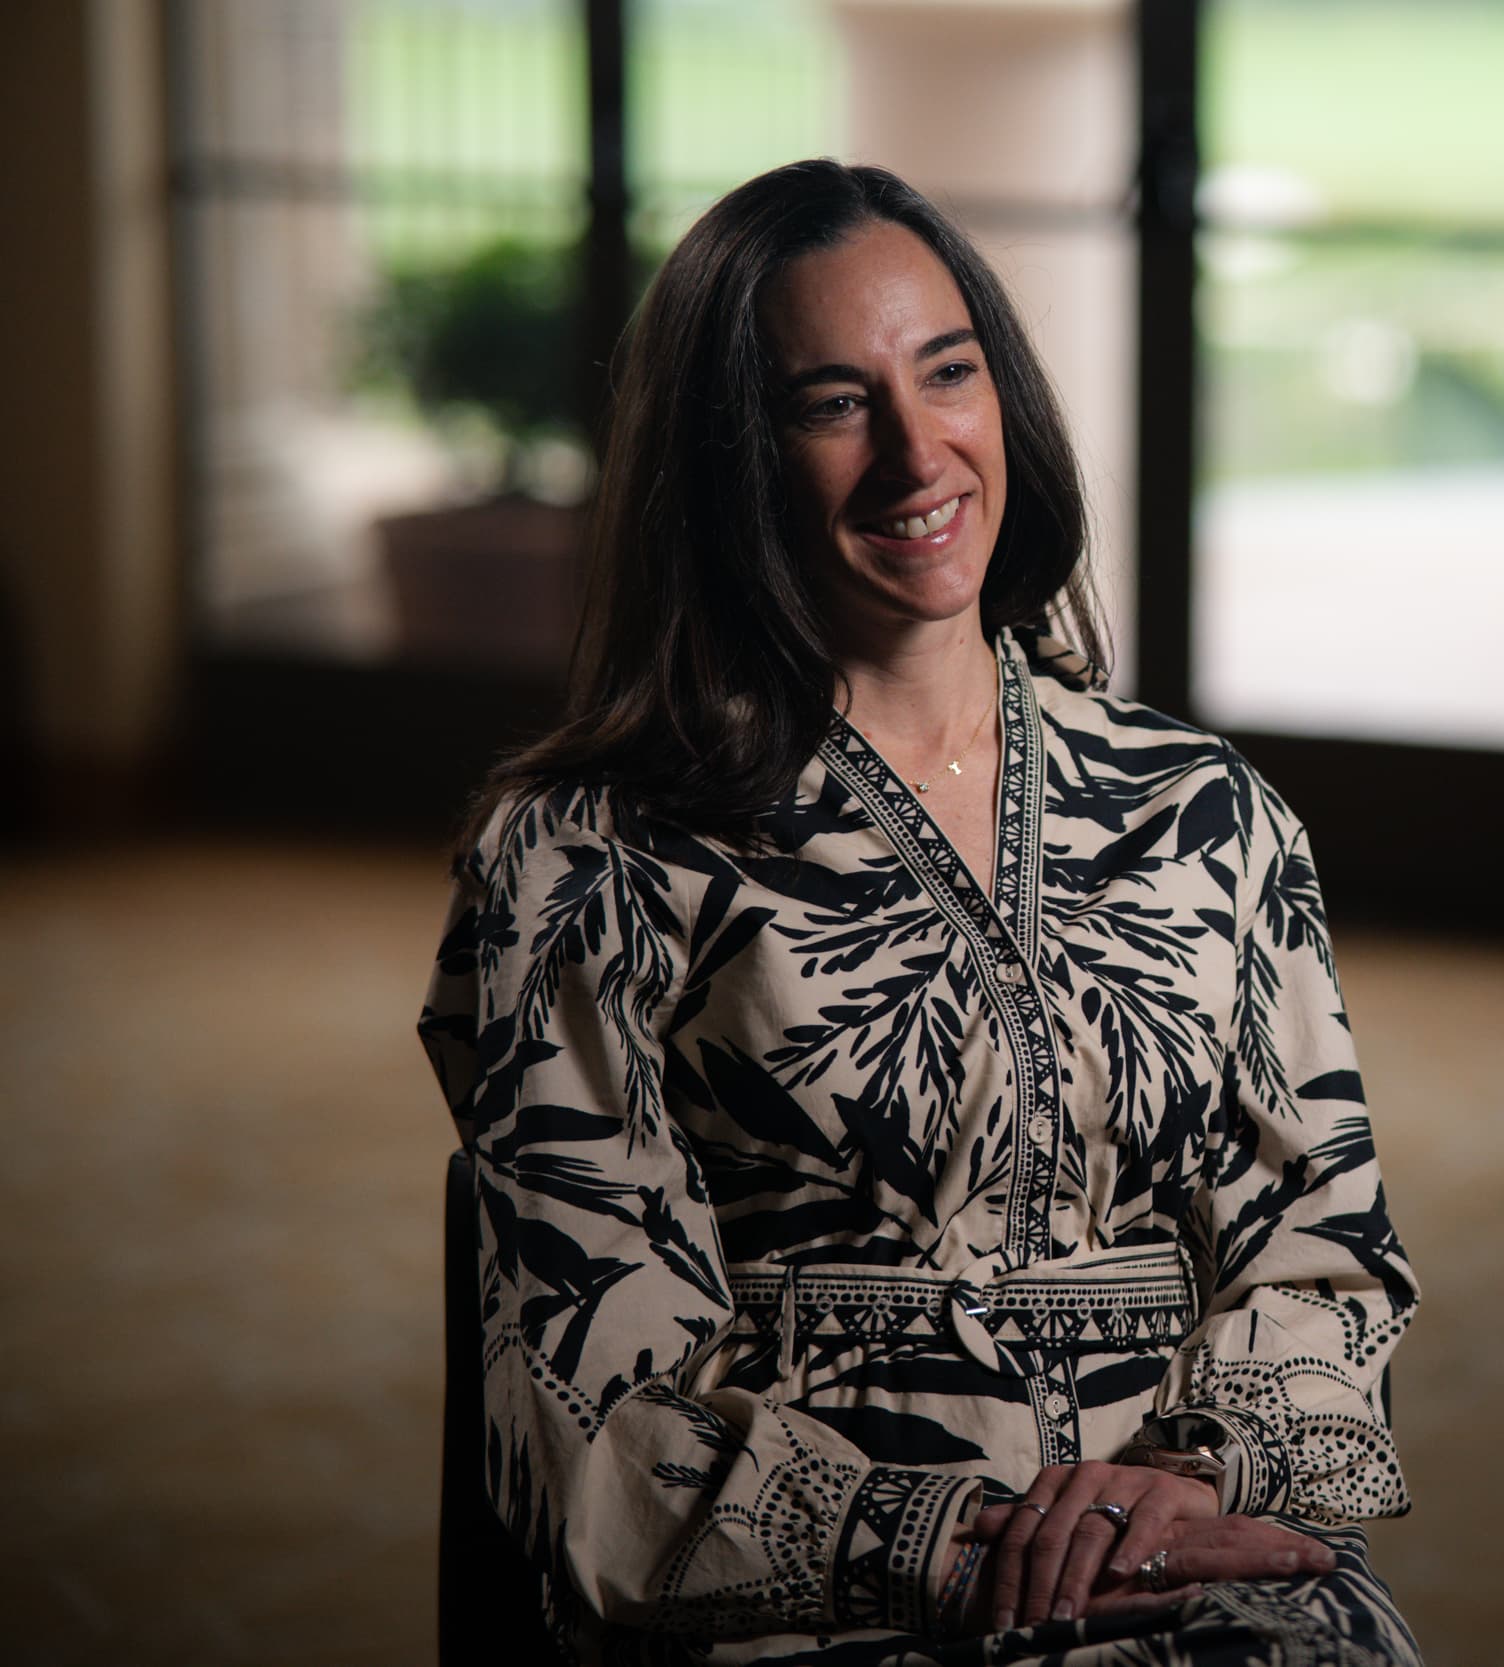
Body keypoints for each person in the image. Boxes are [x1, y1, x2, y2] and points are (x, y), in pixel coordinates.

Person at [417, 159, 1422, 1666]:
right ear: (727, 459)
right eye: (832, 404)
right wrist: (947, 1547)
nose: (915, 451)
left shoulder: (1204, 809)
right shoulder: (582, 860)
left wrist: (1190, 1478)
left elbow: (1322, 1251)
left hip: (1174, 1540)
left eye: (947, 373)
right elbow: (585, 1387)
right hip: (810, 1588)